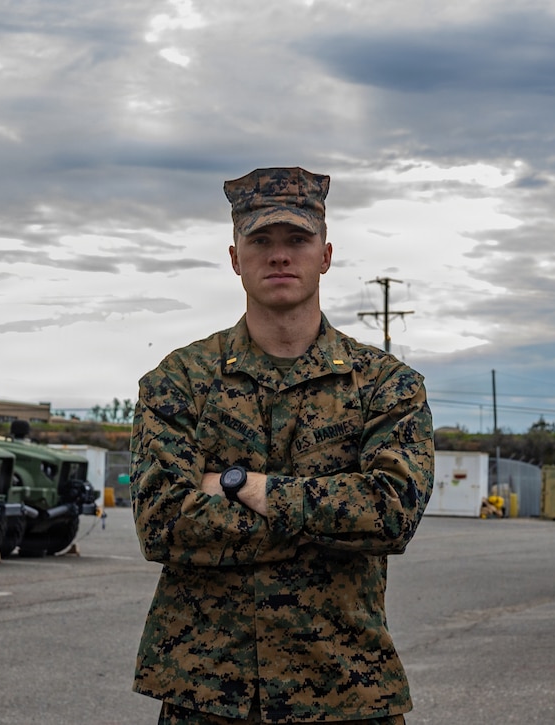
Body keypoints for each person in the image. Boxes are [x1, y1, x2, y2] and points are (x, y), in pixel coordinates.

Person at [130, 167, 434, 724]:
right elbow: (161, 522)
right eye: (261, 241)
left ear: (325, 254)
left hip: (347, 689)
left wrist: (240, 487)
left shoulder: (386, 385)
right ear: (234, 257)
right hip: (209, 694)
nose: (279, 256)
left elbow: (390, 514)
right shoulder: (179, 381)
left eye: (297, 239)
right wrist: (327, 522)